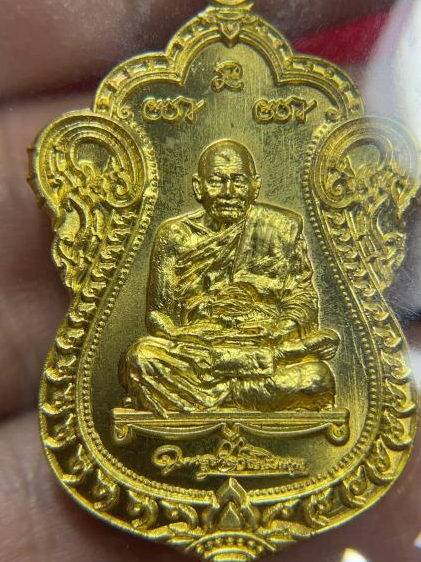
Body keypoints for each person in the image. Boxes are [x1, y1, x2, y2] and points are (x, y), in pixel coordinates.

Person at [120, 139, 339, 415]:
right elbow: (157, 314)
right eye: (216, 181)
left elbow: (303, 298)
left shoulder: (281, 228)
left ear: (255, 186)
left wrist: (279, 330)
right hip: (199, 352)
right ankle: (246, 393)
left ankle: (207, 394)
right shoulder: (174, 236)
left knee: (318, 377)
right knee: (140, 358)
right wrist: (180, 335)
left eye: (238, 181)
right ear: (198, 187)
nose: (228, 192)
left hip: (261, 344)